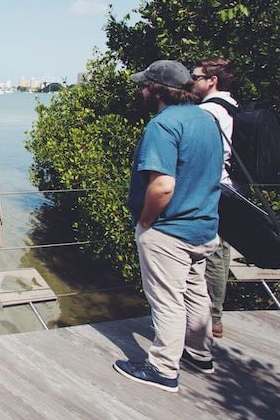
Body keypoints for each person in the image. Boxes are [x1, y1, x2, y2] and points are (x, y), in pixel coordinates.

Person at [113, 60, 223, 393]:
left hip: (170, 230)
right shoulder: (207, 119)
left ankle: (162, 367)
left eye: (145, 85)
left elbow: (162, 186)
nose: (142, 90)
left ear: (158, 90)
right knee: (195, 291)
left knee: (167, 300)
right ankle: (200, 354)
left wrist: (146, 223)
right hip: (204, 227)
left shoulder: (162, 126)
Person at [191, 57, 238, 339]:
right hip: (232, 188)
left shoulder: (209, 111)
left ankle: (211, 318)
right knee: (221, 252)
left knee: (213, 253)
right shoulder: (232, 105)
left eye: (195, 76)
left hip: (214, 187)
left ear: (212, 80)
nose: (191, 81)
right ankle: (212, 316)